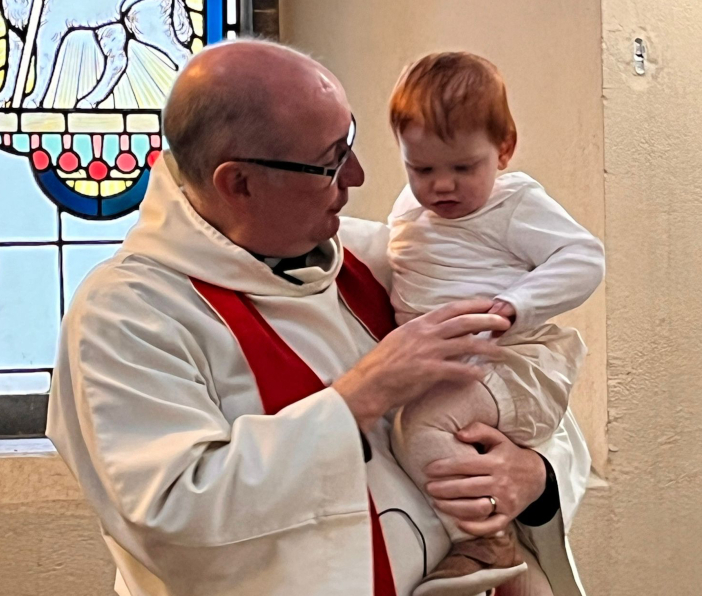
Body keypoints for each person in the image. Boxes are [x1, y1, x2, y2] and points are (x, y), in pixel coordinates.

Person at [46, 39, 591, 596]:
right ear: (238, 182)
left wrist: (534, 477)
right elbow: (173, 513)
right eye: (330, 160)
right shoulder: (129, 315)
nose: (356, 177)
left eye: (350, 141)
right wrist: (358, 396)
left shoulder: (384, 259)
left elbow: (528, 390)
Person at [385, 53, 605, 596]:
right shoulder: (406, 218)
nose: (440, 186)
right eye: (422, 169)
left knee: (424, 428)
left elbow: (584, 258)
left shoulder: (513, 203)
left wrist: (513, 305)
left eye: (462, 168)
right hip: (467, 376)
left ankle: (485, 542)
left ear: (503, 148)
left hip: (512, 364)